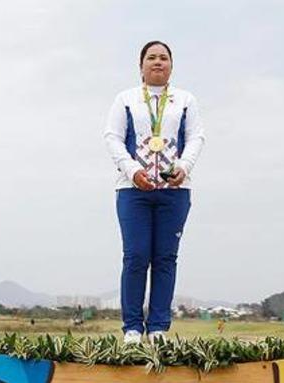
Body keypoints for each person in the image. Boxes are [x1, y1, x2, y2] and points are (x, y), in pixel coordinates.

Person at [104, 41, 205, 343]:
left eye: (163, 58)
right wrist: (132, 170)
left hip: (174, 190)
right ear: (141, 66)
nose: (158, 62)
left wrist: (184, 167)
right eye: (151, 58)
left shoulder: (185, 100)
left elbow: (196, 137)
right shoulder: (126, 99)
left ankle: (158, 327)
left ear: (171, 66)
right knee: (136, 256)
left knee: (165, 258)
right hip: (133, 190)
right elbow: (113, 138)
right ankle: (133, 328)